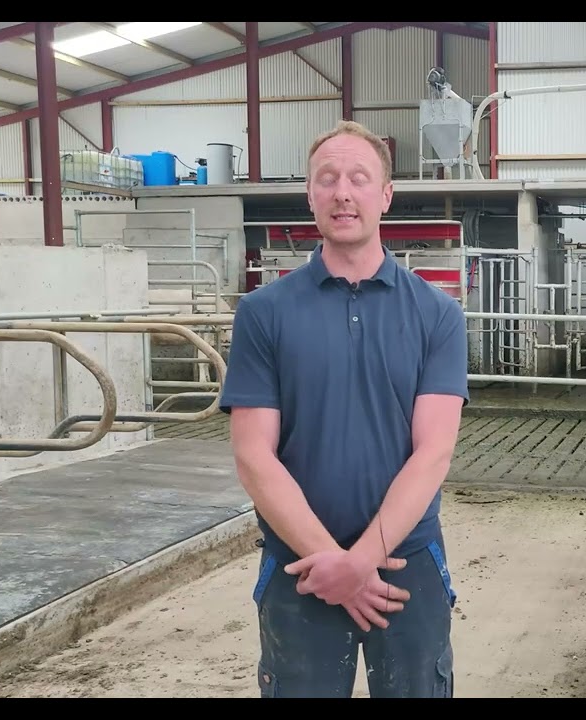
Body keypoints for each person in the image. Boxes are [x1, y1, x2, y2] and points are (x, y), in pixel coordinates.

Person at [219, 120, 469, 698]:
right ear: (310, 194)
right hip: (301, 565)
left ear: (386, 195)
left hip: (406, 561)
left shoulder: (437, 315)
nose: (343, 193)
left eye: (359, 178)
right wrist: (330, 559)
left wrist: (362, 562)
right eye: (327, 179)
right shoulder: (264, 313)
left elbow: (434, 452)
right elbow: (254, 455)